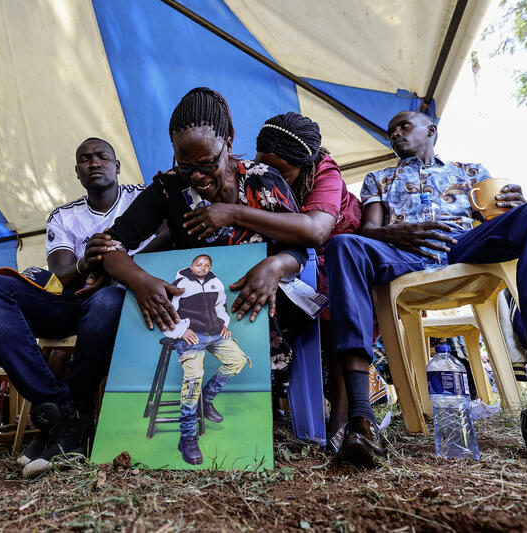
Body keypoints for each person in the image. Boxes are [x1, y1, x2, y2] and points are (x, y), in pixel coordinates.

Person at [324, 110, 527, 466]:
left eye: (404, 126)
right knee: (343, 245)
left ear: (431, 130)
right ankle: (361, 418)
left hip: (463, 246)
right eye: (390, 131)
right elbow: (369, 230)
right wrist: (396, 233)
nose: (395, 134)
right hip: (401, 253)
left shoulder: (469, 171)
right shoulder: (379, 178)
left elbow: (495, 219)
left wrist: (516, 208)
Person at [97, 87, 307, 465]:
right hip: (191, 322)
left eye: (207, 163)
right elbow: (109, 246)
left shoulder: (262, 181)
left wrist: (274, 266)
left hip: (255, 313)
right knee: (190, 376)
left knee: (240, 363)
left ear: (229, 142)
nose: (196, 175)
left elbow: (298, 250)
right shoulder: (168, 188)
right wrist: (140, 281)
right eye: (184, 165)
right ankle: (187, 437)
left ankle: (228, 403)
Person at [0, 137, 154, 479]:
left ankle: (70, 415)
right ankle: (65, 412)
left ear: (117, 166)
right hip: (73, 300)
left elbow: (167, 234)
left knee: (107, 300)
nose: (94, 163)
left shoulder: (142, 197)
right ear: (78, 173)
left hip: (128, 298)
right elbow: (61, 275)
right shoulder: (64, 216)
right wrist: (88, 263)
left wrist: (117, 265)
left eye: (102, 157)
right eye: (85, 159)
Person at [180, 111, 362, 449]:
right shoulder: (257, 177)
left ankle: (342, 414)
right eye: (265, 165)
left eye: (283, 171)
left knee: (337, 296)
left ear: (305, 166)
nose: (272, 176)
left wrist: (235, 213)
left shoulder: (325, 173)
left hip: (329, 260)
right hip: (285, 261)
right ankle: (261, 400)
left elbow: (316, 231)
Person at [164, 254, 249, 464]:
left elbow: (220, 306)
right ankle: (187, 438)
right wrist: (181, 330)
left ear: (210, 266)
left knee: (237, 360)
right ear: (191, 266)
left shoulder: (215, 282)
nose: (202, 268)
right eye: (198, 265)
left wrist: (223, 324)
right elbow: (167, 311)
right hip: (191, 336)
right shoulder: (180, 284)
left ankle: (206, 399)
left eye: (206, 265)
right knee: (194, 379)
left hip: (214, 333)